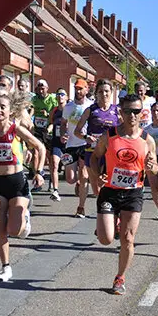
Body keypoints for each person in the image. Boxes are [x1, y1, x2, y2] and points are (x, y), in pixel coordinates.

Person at [0, 92, 46, 282]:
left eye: (4, 107)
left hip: (16, 182)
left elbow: (40, 147)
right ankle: (5, 267)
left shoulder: (15, 129)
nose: (0, 110)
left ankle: (24, 216)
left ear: (11, 111)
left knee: (14, 230)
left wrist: (38, 172)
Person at [92, 94, 158, 295]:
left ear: (142, 113)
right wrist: (98, 176)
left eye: (136, 111)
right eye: (128, 111)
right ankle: (112, 224)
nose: (132, 115)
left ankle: (120, 278)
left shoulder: (147, 140)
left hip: (133, 192)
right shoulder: (109, 136)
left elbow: (155, 168)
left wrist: (152, 166)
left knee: (128, 238)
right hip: (110, 191)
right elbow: (94, 158)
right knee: (105, 239)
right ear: (121, 112)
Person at [74, 79, 119, 216]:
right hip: (92, 153)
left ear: (111, 93)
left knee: (111, 186)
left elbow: (126, 130)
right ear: (97, 93)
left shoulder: (117, 111)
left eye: (106, 91)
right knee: (97, 190)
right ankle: (104, 216)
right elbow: (77, 131)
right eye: (101, 91)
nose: (104, 94)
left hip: (111, 155)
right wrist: (85, 138)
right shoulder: (90, 110)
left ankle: (109, 216)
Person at [61, 79, 93, 216]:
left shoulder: (91, 106)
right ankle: (78, 183)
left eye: (81, 89)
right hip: (71, 145)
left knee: (84, 175)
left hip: (85, 144)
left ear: (86, 90)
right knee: (70, 178)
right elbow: (63, 123)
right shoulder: (68, 107)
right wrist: (63, 134)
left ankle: (81, 207)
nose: (78, 91)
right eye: (76, 88)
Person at [31, 79, 59, 196]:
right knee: (36, 153)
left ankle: (52, 180)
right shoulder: (34, 99)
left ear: (47, 89)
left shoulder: (52, 99)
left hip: (49, 129)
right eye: (39, 89)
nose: (41, 91)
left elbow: (57, 113)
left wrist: (48, 115)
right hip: (37, 129)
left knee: (49, 157)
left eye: (43, 89)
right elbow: (30, 110)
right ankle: (38, 180)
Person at [48, 87, 68, 199]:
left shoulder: (70, 110)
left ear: (66, 97)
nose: (60, 96)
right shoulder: (54, 111)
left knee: (72, 173)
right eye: (58, 94)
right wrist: (49, 129)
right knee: (54, 164)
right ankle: (55, 190)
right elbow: (51, 122)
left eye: (62, 94)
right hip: (56, 141)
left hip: (68, 142)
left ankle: (79, 183)